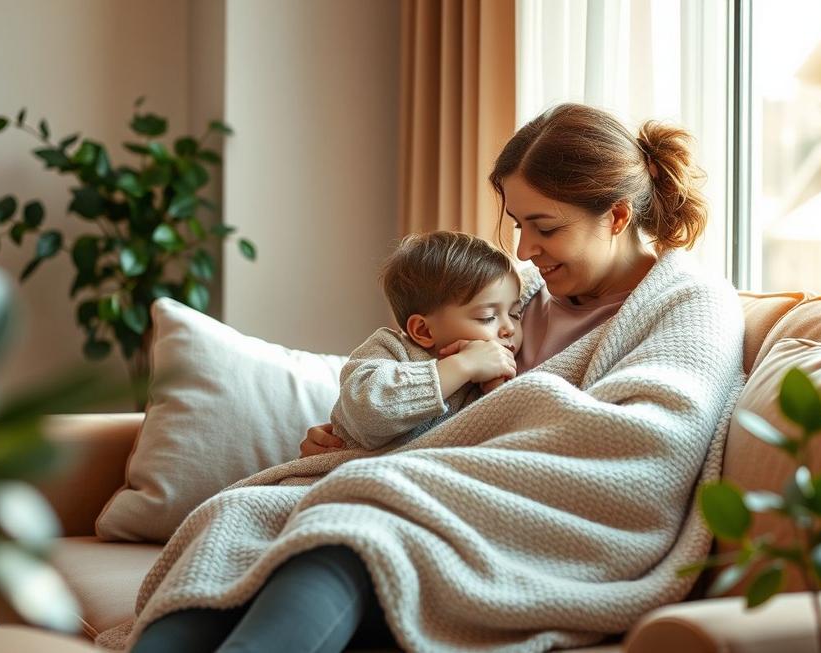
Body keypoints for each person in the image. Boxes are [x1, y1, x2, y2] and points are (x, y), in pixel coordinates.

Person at [118, 104, 744, 653]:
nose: (524, 249)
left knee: (348, 534)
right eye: (518, 224)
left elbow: (644, 456)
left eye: (545, 227)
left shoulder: (692, 303)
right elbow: (418, 389)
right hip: (432, 492)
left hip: (537, 528)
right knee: (238, 517)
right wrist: (362, 447)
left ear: (616, 215)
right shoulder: (515, 296)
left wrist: (410, 464)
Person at [332, 231, 523, 451]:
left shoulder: (490, 379)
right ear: (423, 330)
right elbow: (366, 409)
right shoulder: (390, 349)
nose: (510, 328)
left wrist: (496, 391)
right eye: (487, 317)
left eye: (516, 314)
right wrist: (464, 364)